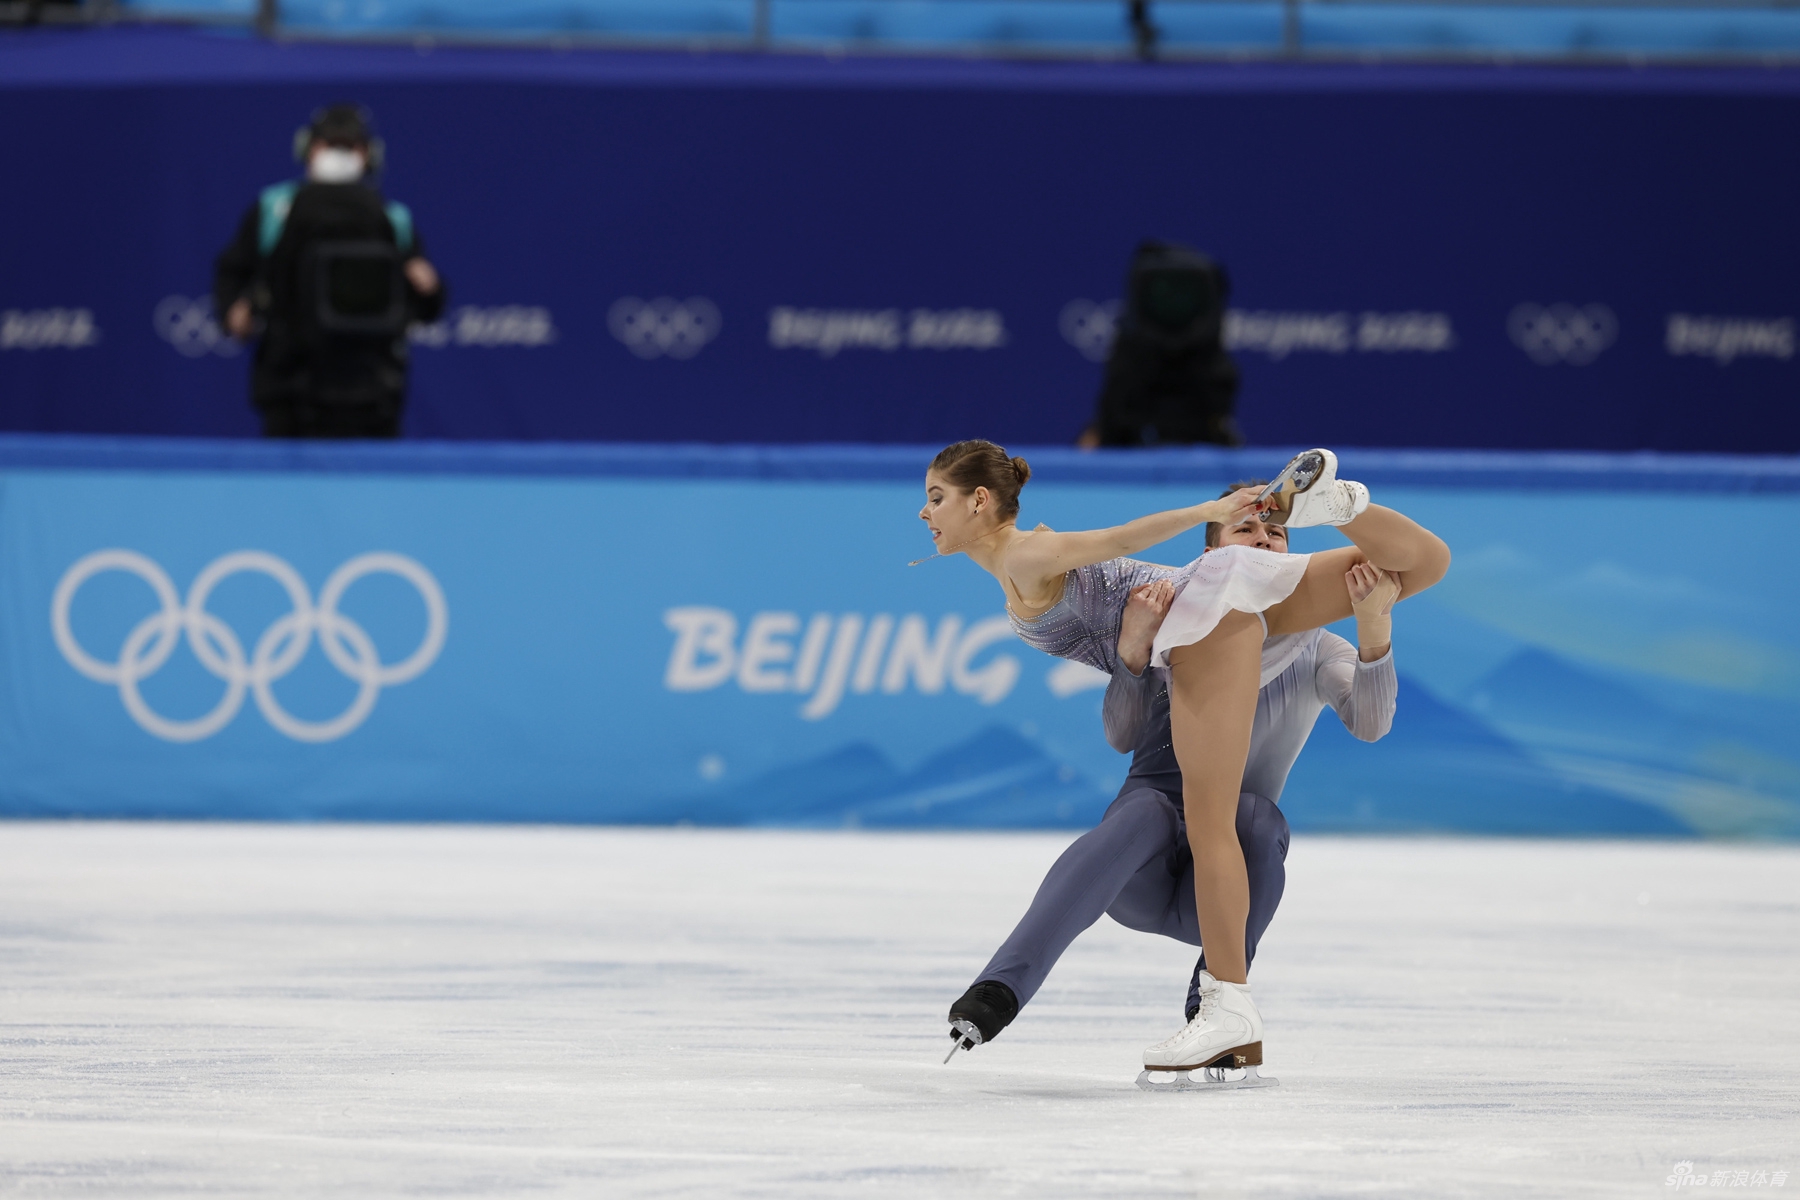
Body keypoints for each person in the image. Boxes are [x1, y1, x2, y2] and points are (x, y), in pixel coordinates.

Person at [918, 440, 1449, 1074]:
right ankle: (1341, 503)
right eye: (1246, 526)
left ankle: (1221, 1004)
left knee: (1220, 816)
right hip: (1208, 614)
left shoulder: (1027, 554)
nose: (926, 514)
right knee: (1419, 567)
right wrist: (1135, 652)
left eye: (935, 498)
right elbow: (1123, 724)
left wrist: (1215, 508)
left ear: (979, 501)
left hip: (1207, 610)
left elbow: (1121, 539)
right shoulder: (1028, 562)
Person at [213, 104, 446, 439]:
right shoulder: (271, 210)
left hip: (370, 387)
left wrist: (429, 289)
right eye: (327, 145)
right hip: (290, 385)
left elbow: (422, 305)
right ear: (308, 149)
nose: (338, 156)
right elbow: (233, 271)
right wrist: (235, 309)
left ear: (368, 155)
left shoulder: (393, 221)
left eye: (349, 147)